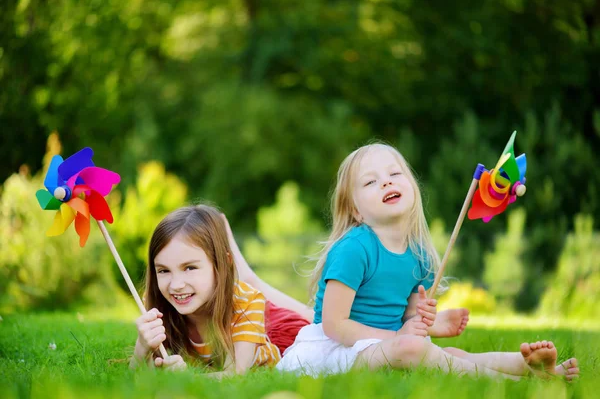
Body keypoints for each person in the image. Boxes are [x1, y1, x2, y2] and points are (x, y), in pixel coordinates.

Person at [272, 143, 579, 380]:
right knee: (414, 349)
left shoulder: (417, 254)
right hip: (331, 351)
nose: (385, 183)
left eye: (394, 174)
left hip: (384, 348)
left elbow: (407, 321)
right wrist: (399, 339)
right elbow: (334, 325)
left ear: (412, 186)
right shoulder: (354, 249)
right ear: (356, 211)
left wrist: (428, 324)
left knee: (447, 354)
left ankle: (524, 365)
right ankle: (507, 383)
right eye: (370, 182)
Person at [130, 205, 285, 376]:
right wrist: (142, 347)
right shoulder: (157, 303)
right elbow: (139, 378)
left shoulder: (246, 303)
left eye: (189, 268)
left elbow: (235, 374)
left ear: (222, 263)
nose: (176, 285)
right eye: (164, 270)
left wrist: (188, 378)